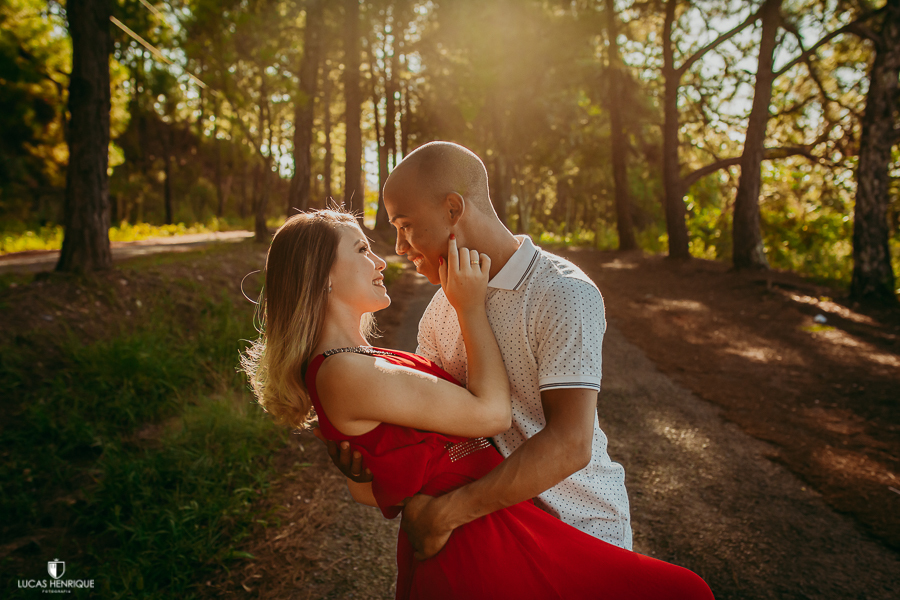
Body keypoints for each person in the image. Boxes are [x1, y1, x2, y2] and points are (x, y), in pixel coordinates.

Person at [242, 208, 714, 599]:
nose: (383, 260)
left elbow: (373, 488)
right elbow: (490, 415)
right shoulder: (343, 370)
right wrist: (469, 308)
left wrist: (366, 470)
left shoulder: (366, 360)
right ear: (320, 275)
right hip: (476, 544)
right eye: (362, 249)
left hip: (485, 528)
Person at [323, 141, 631, 561]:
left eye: (405, 224)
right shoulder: (439, 308)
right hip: (493, 533)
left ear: (453, 210)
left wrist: (446, 513)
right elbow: (432, 431)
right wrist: (371, 454)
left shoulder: (562, 292)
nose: (398, 246)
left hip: (579, 530)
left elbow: (570, 442)